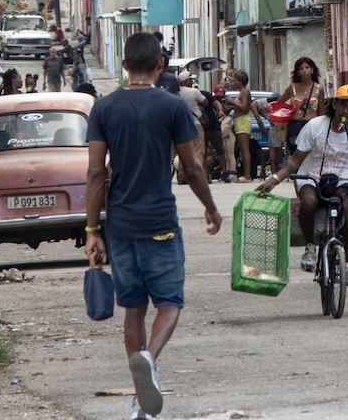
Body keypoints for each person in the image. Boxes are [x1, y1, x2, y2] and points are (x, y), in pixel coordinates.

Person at [84, 32, 222, 420]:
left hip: (120, 226)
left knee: (133, 310)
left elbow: (96, 173)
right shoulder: (172, 107)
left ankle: (138, 401)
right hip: (160, 221)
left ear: (124, 65)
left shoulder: (104, 109)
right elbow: (192, 167)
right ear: (160, 65)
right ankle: (149, 359)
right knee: (171, 303)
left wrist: (92, 231)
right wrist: (210, 208)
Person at [256, 84, 348, 286]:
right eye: (342, 104)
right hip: (312, 178)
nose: (345, 110)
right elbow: (295, 161)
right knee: (309, 202)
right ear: (334, 104)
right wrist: (274, 179)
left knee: (345, 205)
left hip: (342, 180)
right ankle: (310, 246)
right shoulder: (315, 126)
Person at [277, 56, 326, 157]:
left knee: (311, 156)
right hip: (295, 126)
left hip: (312, 126)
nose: (304, 71)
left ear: (312, 70)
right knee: (296, 156)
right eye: (301, 68)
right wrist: (269, 108)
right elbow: (279, 103)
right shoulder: (293, 87)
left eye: (307, 67)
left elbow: (321, 111)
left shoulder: (318, 89)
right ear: (298, 72)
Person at [177, 72, 209, 184]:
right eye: (190, 79)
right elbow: (205, 102)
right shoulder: (194, 91)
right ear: (185, 81)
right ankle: (197, 176)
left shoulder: (176, 92)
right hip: (195, 124)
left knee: (182, 150)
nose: (191, 81)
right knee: (198, 151)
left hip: (181, 125)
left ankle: (182, 176)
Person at [224, 70, 254, 183]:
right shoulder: (241, 93)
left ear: (240, 81)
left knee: (244, 148)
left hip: (242, 121)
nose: (232, 82)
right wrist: (232, 107)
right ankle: (245, 173)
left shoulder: (245, 92)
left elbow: (245, 107)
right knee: (241, 148)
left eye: (234, 80)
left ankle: (247, 175)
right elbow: (240, 106)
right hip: (238, 120)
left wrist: (232, 102)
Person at [216, 83, 237, 182]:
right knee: (225, 155)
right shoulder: (221, 117)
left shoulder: (230, 118)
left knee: (230, 154)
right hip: (222, 135)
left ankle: (233, 172)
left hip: (228, 135)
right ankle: (226, 173)